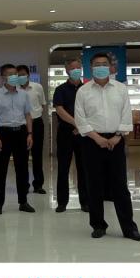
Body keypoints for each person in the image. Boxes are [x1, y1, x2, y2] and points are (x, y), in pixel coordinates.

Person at [75, 53, 140, 242]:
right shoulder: (83, 91)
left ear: (110, 67)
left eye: (104, 64)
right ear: (91, 68)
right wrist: (96, 138)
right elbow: (80, 118)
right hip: (91, 141)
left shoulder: (120, 89)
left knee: (120, 186)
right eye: (97, 64)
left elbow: (126, 114)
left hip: (116, 140)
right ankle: (98, 225)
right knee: (94, 185)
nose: (101, 67)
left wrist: (117, 136)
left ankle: (129, 228)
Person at [0, 64, 35, 215]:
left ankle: (23, 201)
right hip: (3, 133)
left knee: (22, 169)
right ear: (3, 77)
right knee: (0, 170)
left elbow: (28, 114)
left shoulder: (24, 94)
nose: (14, 76)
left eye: (15, 73)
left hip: (21, 132)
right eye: (10, 74)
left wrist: (30, 134)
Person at [53, 58, 88, 213]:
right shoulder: (60, 89)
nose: (76, 71)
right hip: (65, 133)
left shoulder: (87, 89)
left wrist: (82, 126)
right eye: (73, 68)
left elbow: (92, 110)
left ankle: (85, 202)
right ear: (67, 70)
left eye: (78, 68)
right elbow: (59, 110)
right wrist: (76, 124)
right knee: (63, 168)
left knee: (84, 168)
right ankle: (62, 202)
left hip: (85, 133)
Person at [17, 64, 47, 194]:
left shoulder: (37, 87)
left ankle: (38, 184)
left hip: (37, 123)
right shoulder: (15, 89)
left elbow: (42, 105)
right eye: (18, 75)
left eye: (23, 74)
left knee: (37, 155)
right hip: (21, 125)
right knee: (22, 156)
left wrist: (35, 116)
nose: (21, 77)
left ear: (28, 75)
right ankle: (24, 184)